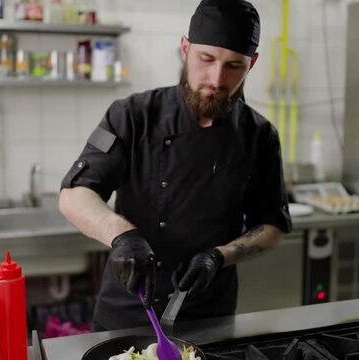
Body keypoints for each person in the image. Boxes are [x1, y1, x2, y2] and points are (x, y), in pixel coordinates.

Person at [59, 0, 292, 331]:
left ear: (252, 64)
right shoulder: (132, 115)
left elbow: (271, 227)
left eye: (234, 66)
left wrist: (219, 256)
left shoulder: (260, 135)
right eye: (206, 59)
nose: (216, 78)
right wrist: (122, 236)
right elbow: (74, 194)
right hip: (128, 309)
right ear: (185, 49)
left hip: (211, 314)